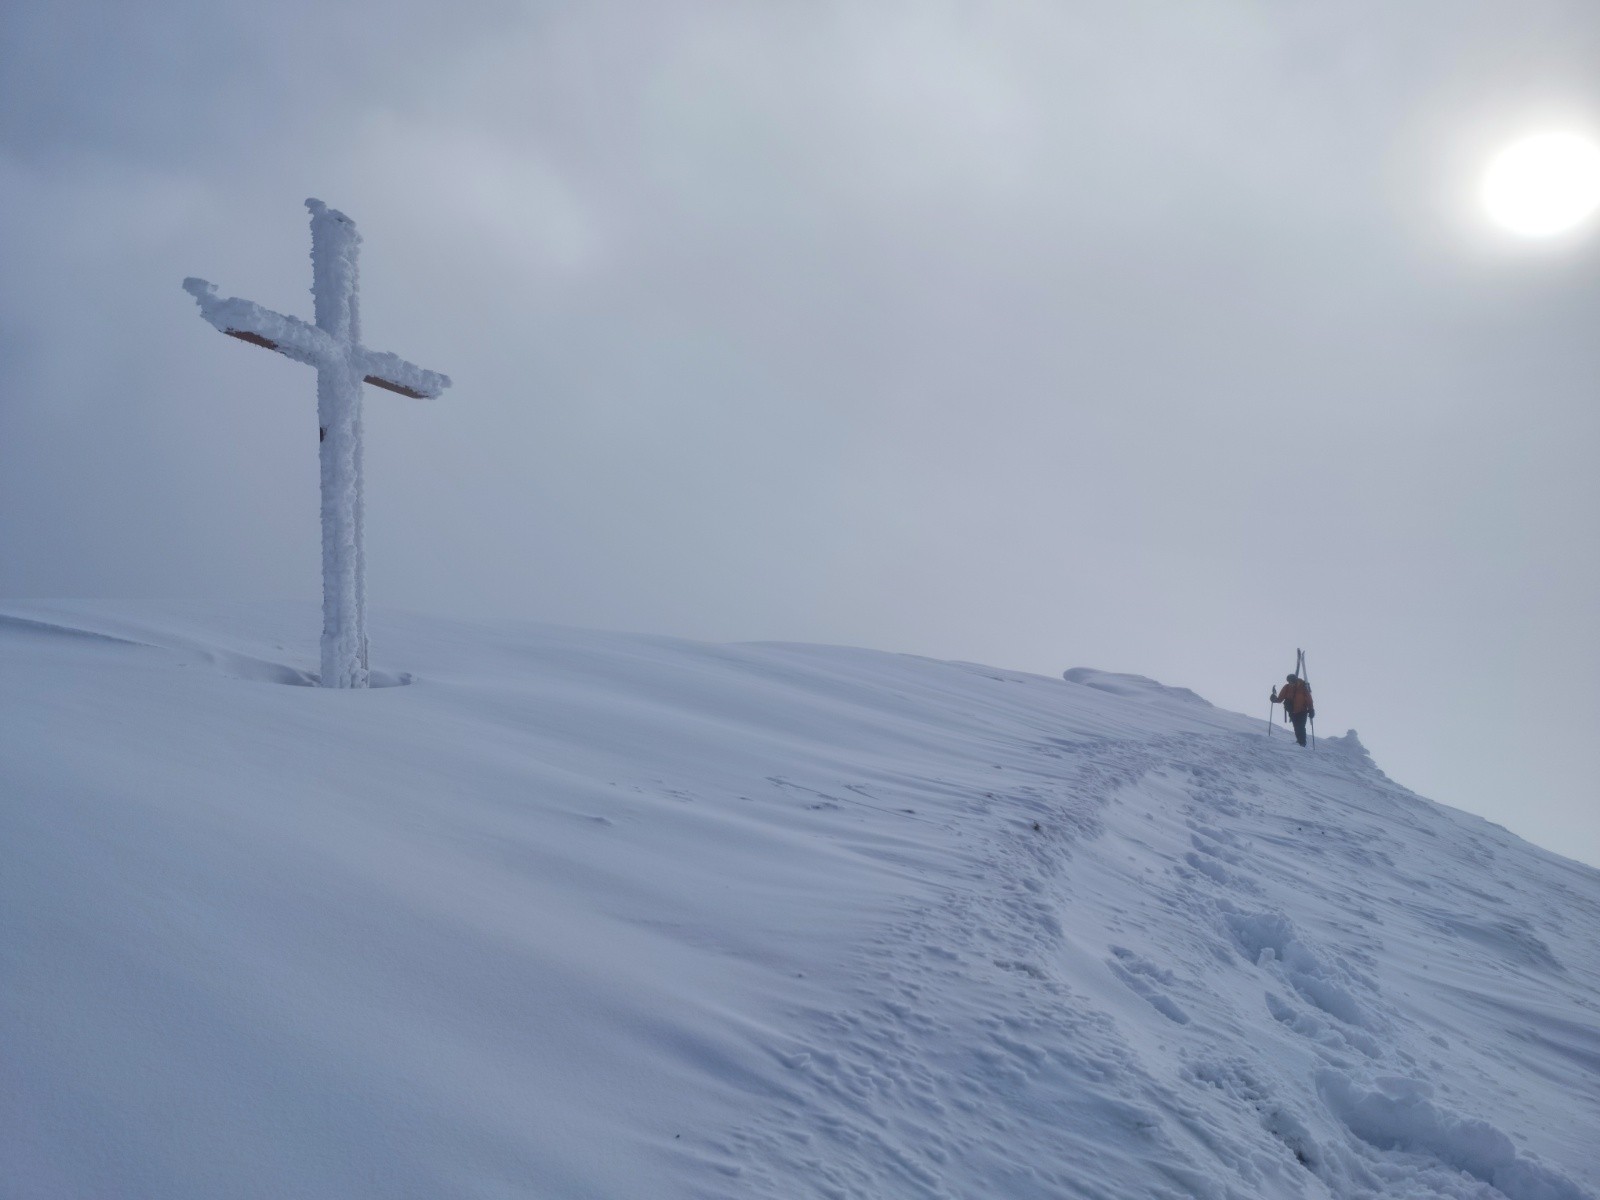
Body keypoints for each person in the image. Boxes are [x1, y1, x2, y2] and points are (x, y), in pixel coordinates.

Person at [1272, 673, 1315, 746]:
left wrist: (1311, 709)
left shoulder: (1303, 687)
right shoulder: (1287, 687)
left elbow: (1309, 699)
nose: (1290, 683)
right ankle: (1300, 741)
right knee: (1296, 727)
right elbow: (1280, 698)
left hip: (1302, 711)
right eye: (1289, 681)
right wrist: (1274, 699)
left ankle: (1302, 742)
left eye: (1291, 681)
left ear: (1295, 680)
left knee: (1300, 726)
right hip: (1292, 711)